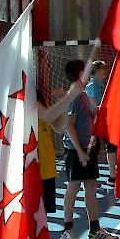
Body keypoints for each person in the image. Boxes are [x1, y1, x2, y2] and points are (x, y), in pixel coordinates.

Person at [59, 60, 119, 239]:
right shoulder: (75, 96)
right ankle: (67, 229)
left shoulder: (83, 94)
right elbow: (69, 125)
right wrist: (79, 150)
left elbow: (87, 118)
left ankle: (94, 229)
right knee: (74, 187)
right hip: (77, 150)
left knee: (90, 186)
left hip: (89, 148)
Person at [36, 85, 83, 213]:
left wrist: (63, 104)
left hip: (46, 167)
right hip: (32, 169)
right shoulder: (22, 99)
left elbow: (59, 127)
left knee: (42, 217)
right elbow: (47, 115)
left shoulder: (39, 98)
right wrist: (68, 98)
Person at [85, 60, 117, 185]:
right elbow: (95, 105)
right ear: (97, 70)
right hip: (94, 122)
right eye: (103, 68)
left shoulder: (103, 84)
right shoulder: (92, 85)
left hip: (105, 121)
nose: (105, 71)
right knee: (93, 150)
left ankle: (112, 176)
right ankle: (89, 178)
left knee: (112, 147)